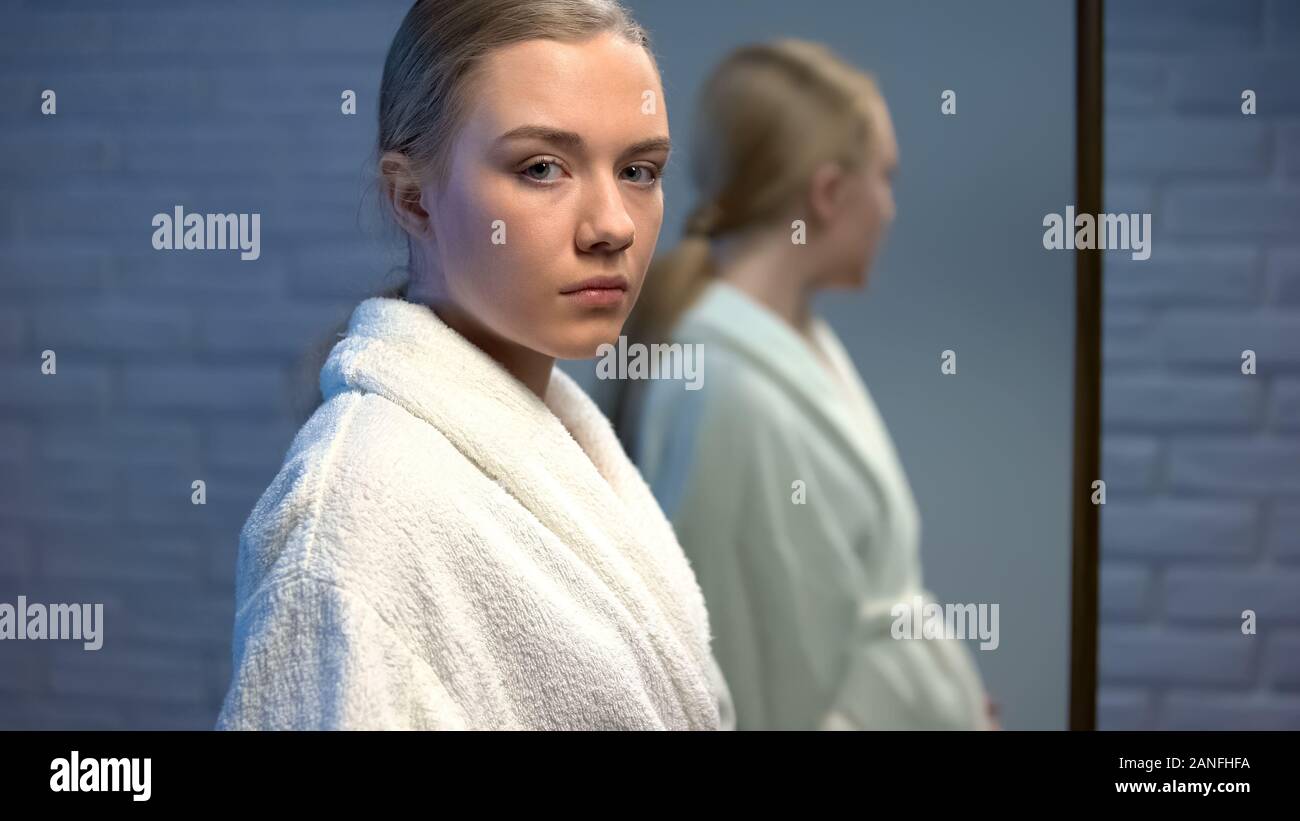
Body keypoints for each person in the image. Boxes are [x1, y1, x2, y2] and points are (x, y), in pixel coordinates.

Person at [217, 0, 733, 731]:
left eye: (639, 170)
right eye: (543, 167)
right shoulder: (355, 523)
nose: (614, 224)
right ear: (413, 199)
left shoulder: (562, 444)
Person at [617, 39, 996, 730]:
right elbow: (736, 676)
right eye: (884, 178)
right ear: (827, 193)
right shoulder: (726, 388)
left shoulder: (799, 339)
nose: (889, 208)